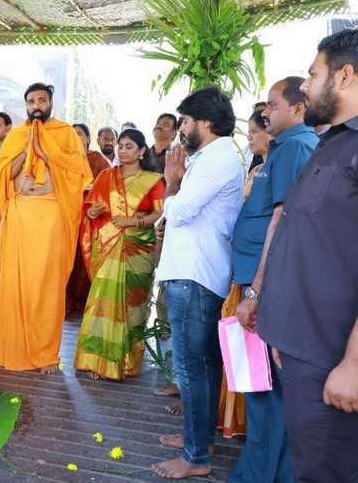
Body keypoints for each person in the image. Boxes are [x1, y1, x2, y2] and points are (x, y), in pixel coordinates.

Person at [253, 28, 358, 483]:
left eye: (314, 74)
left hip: (335, 365)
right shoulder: (332, 142)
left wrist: (354, 365)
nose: (307, 85)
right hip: (303, 351)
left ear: (346, 75)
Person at [152, 86, 244, 479]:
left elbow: (183, 211)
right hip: (191, 271)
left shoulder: (217, 158)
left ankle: (196, 457)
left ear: (206, 122)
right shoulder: (208, 157)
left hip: (195, 273)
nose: (181, 130)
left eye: (185, 122)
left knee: (192, 367)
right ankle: (200, 439)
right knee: (202, 366)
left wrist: (172, 187)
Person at [229, 77, 318, 483]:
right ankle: (257, 470)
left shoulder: (296, 146)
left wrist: (256, 290)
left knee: (267, 392)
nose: (266, 112)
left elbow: (283, 219)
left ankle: (263, 475)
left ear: (299, 108)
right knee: (259, 388)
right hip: (255, 282)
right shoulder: (283, 147)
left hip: (264, 289)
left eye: (274, 105)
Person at [0, 83, 92, 374]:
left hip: (52, 216)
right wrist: (24, 152)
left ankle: (46, 354)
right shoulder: (17, 135)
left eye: (42, 100)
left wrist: (47, 155)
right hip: (21, 214)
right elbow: (1, 176)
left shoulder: (66, 134)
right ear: (25, 105)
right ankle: (12, 348)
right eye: (32, 101)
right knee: (14, 284)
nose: (37, 105)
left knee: (46, 286)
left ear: (50, 103)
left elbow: (79, 174)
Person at [74, 128, 165, 380]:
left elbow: (158, 214)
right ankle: (98, 359)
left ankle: (126, 360)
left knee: (131, 305)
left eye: (129, 146)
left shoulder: (154, 180)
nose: (123, 151)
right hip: (107, 245)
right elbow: (90, 209)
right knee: (102, 303)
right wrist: (93, 213)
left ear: (142, 151)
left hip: (138, 248)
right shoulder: (106, 176)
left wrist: (133, 221)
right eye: (120, 146)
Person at [216, 109, 272, 440]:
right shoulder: (256, 169)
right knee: (236, 345)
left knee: (253, 349)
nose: (248, 136)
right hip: (241, 268)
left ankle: (250, 426)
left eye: (254, 130)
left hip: (257, 275)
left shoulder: (275, 169)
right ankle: (231, 420)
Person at [66, 123, 110, 313]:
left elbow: (108, 183)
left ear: (88, 138)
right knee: (66, 259)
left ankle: (86, 303)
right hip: (68, 214)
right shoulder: (64, 160)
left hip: (91, 216)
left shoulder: (96, 159)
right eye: (72, 134)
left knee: (86, 257)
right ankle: (65, 302)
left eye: (80, 134)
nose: (76, 137)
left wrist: (89, 190)